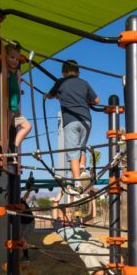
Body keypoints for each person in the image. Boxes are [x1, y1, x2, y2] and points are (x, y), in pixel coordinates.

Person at [47, 60, 99, 195]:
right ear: (78, 73)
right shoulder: (84, 83)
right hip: (86, 120)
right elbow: (97, 100)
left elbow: (50, 95)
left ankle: (77, 183)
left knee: (73, 153)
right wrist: (86, 100)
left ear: (63, 72)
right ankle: (82, 170)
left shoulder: (61, 82)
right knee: (82, 148)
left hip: (71, 120)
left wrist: (56, 95)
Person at [4, 44, 33, 153]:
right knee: (4, 131)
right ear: (5, 57)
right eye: (12, 57)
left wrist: (19, 90)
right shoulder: (5, 73)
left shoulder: (13, 74)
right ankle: (4, 148)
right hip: (7, 109)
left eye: (17, 59)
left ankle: (14, 146)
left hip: (14, 109)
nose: (15, 61)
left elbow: (13, 89)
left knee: (27, 126)